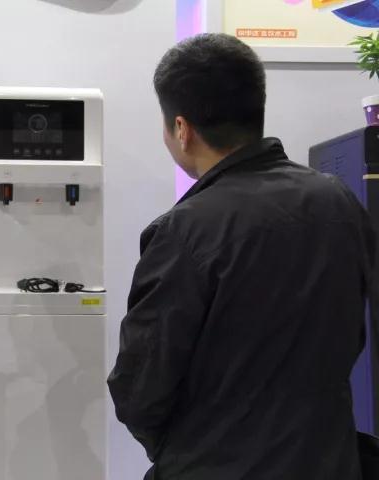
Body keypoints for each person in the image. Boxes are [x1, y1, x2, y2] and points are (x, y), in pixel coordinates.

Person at [107, 33, 376, 479]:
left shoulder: (183, 231)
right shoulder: (339, 202)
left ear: (181, 129)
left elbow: (139, 389)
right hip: (329, 461)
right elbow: (355, 339)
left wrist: (190, 447)